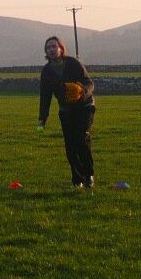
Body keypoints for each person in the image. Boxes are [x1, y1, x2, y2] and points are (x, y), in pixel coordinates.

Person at [38, 36, 96, 189]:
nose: (51, 49)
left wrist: (83, 92)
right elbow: (45, 96)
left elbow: (89, 83)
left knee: (82, 139)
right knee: (70, 146)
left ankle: (88, 175)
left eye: (53, 46)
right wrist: (42, 118)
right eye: (48, 47)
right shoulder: (47, 72)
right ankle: (77, 180)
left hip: (85, 107)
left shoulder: (73, 63)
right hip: (66, 110)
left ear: (61, 48)